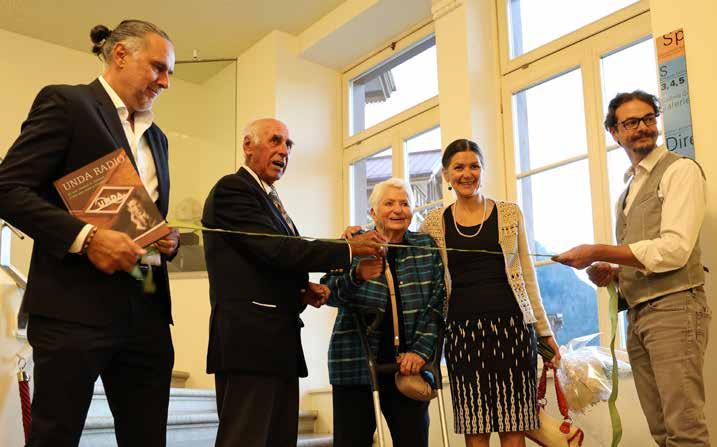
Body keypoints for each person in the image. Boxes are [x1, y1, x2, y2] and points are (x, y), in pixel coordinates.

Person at [0, 20, 180, 447]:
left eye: (170, 72)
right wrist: (87, 239)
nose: (165, 82)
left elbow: (142, 219)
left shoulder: (159, 139)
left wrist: (165, 241)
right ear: (120, 55)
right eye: (158, 67)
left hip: (147, 311)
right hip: (73, 311)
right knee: (56, 437)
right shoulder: (68, 103)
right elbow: (7, 188)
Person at [202, 118, 385, 447]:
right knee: (246, 439)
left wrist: (300, 290)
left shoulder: (270, 199)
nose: (284, 151)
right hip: (250, 343)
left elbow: (269, 260)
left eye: (289, 145)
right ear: (248, 146)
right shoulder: (233, 189)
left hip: (279, 342)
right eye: (275, 140)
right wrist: (348, 249)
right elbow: (276, 249)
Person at [553, 90, 711, 447]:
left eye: (648, 119)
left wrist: (598, 250)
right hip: (638, 316)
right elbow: (646, 254)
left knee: (685, 430)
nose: (642, 128)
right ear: (614, 132)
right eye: (631, 122)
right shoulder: (628, 190)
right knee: (662, 431)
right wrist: (614, 271)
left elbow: (675, 250)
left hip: (675, 309)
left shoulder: (681, 170)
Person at [420, 138, 560, 447]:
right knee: (475, 425)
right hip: (461, 334)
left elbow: (527, 276)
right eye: (458, 167)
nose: (467, 174)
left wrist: (544, 332)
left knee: (514, 423)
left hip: (513, 330)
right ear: (446, 174)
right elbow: (408, 254)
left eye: (474, 166)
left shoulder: (509, 214)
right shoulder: (433, 223)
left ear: (483, 170)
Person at [321, 178, 445, 447]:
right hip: (355, 364)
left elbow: (438, 305)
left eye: (404, 204)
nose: (398, 210)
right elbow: (327, 293)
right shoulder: (354, 244)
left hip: (408, 368)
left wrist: (421, 352)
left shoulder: (425, 247)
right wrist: (356, 275)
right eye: (389, 203)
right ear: (373, 212)